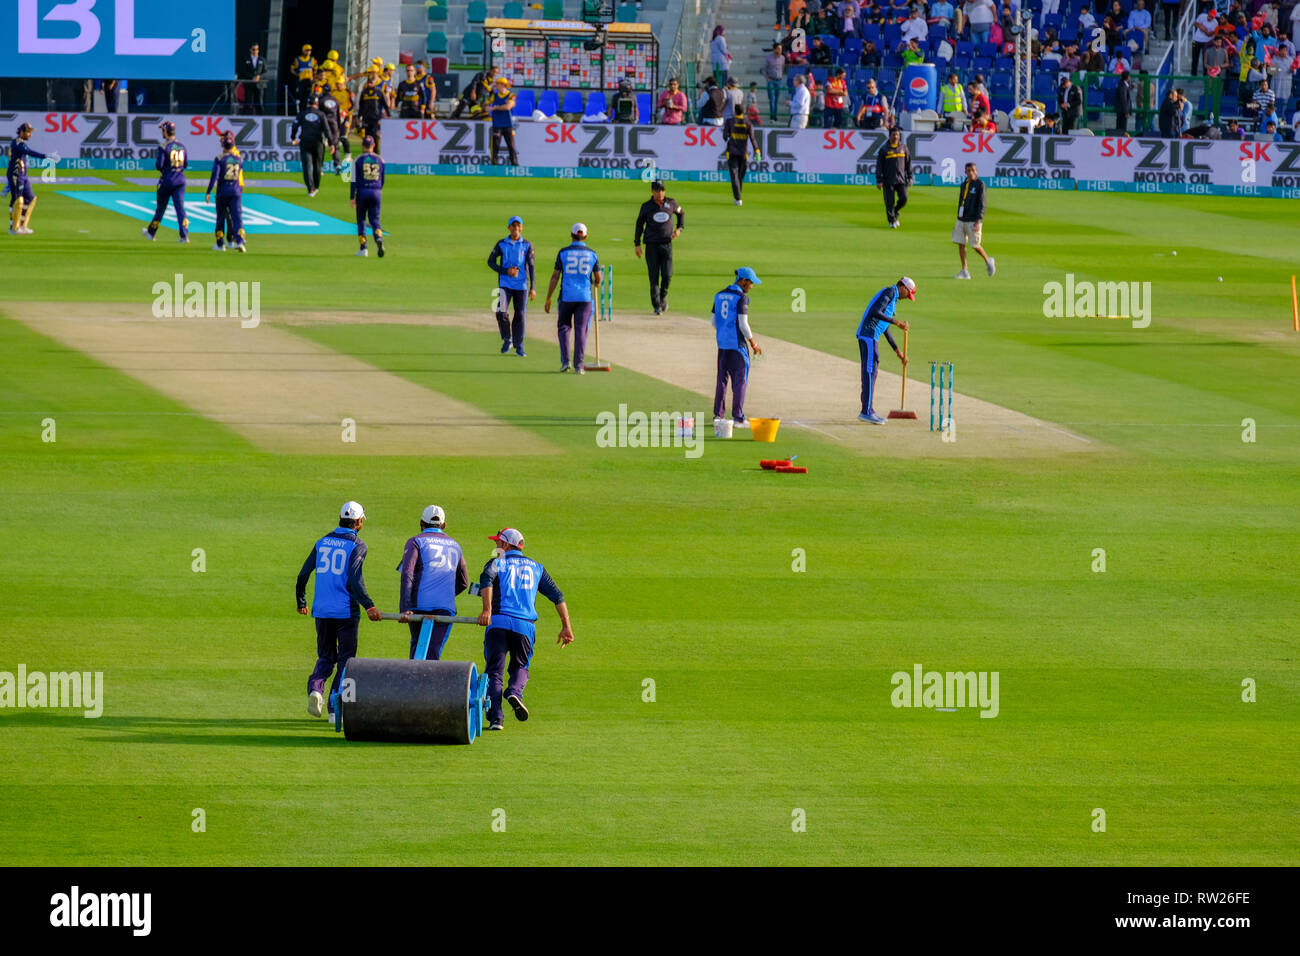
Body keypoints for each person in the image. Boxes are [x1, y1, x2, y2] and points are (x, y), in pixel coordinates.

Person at [474, 528, 573, 731]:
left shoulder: (497, 562)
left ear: (506, 546)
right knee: (521, 667)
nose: (495, 547)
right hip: (524, 626)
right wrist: (566, 626)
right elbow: (557, 595)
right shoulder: (537, 567)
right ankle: (515, 693)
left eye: (498, 543)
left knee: (494, 672)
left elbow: (486, 580)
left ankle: (496, 719)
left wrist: (486, 609)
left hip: (498, 622)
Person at [296, 501, 382, 720]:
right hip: (346, 611)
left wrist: (301, 601)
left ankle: (316, 689)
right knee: (346, 659)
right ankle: (335, 709)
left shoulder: (322, 541)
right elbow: (354, 579)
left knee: (325, 656)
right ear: (359, 521)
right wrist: (369, 605)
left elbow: (303, 575)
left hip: (322, 610)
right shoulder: (357, 545)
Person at [397, 505, 469, 661]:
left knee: (418, 651)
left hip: (419, 606)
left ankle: (413, 684)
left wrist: (405, 607)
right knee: (433, 654)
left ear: (421, 523)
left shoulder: (416, 541)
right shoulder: (455, 545)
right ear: (443, 525)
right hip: (445, 607)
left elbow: (407, 573)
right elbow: (464, 582)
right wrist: (445, 594)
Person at [544, 223, 602, 374]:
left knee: (563, 327)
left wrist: (548, 298)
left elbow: (555, 276)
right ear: (585, 236)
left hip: (567, 297)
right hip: (585, 297)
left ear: (571, 234)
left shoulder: (563, 253)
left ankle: (565, 361)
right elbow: (598, 278)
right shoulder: (592, 254)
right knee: (581, 330)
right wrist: (596, 283)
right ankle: (579, 366)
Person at [856, 277, 913, 425]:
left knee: (872, 372)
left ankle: (868, 410)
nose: (907, 298)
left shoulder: (893, 300)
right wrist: (897, 322)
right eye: (908, 294)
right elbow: (875, 312)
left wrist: (898, 351)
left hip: (872, 337)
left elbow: (884, 327)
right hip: (868, 335)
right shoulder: (890, 292)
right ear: (903, 287)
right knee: (869, 371)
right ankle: (866, 411)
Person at [712, 267, 763, 427]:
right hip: (737, 346)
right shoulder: (741, 298)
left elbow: (714, 322)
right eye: (751, 282)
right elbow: (743, 324)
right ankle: (738, 418)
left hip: (722, 345)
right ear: (743, 280)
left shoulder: (719, 295)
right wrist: (753, 343)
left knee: (721, 380)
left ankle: (718, 416)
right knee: (740, 382)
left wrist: (724, 333)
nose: (752, 286)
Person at [634, 180, 684, 315]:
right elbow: (639, 225)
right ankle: (656, 305)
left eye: (662, 190)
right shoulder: (646, 206)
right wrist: (637, 244)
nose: (660, 193)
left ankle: (662, 298)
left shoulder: (671, 203)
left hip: (666, 244)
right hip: (651, 245)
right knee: (654, 276)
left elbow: (681, 214)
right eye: (657, 190)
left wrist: (679, 229)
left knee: (667, 275)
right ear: (652, 191)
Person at [487, 216, 536, 356]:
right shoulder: (501, 244)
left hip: (521, 285)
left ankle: (519, 345)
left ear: (522, 228)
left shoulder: (527, 245)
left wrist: (533, 287)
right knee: (500, 311)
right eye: (513, 226)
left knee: (520, 314)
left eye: (518, 226)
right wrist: (505, 271)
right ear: (509, 227)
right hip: (504, 284)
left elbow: (531, 267)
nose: (515, 228)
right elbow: (490, 262)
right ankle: (507, 339)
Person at [142, 121, 189, 243]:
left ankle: (152, 232)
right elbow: (185, 164)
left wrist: (166, 170)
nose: (162, 133)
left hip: (167, 180)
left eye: (162, 130)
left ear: (165, 131)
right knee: (180, 209)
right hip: (180, 179)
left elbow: (159, 165)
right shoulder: (182, 145)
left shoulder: (164, 146)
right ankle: (184, 236)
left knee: (161, 208)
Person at [205, 131, 246, 253]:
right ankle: (240, 241)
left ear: (223, 145)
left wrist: (208, 191)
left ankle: (220, 243)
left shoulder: (219, 159)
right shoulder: (239, 159)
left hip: (223, 191)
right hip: (236, 191)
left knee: (220, 218)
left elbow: (215, 176)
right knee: (237, 218)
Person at [953, 163, 995, 279]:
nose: (970, 172)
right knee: (960, 243)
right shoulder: (964, 185)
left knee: (975, 245)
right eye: (968, 170)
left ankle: (988, 261)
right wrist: (959, 216)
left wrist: (979, 220)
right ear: (965, 172)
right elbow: (961, 201)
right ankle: (964, 270)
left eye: (973, 170)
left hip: (973, 220)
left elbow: (982, 204)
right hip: (962, 219)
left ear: (976, 172)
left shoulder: (980, 185)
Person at [7, 123, 48, 236]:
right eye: (28, 132)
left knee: (31, 199)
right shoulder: (18, 144)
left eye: (30, 132)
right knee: (18, 201)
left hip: (23, 176)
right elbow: (30, 152)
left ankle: (22, 226)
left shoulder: (20, 143)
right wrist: (46, 156)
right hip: (16, 176)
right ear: (21, 132)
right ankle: (14, 228)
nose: (30, 134)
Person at [350, 136, 385, 258]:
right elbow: (383, 179)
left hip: (362, 192)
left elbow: (353, 180)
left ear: (363, 146)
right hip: (376, 192)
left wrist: (352, 197)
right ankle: (379, 238)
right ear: (374, 145)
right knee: (375, 220)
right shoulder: (380, 160)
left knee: (361, 219)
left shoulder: (358, 160)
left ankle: (363, 247)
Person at [722, 105, 761, 206]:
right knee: (740, 176)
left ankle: (738, 198)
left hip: (732, 152)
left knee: (734, 175)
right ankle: (738, 196)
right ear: (743, 112)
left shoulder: (730, 122)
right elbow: (753, 138)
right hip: (743, 153)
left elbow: (724, 136)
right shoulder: (748, 123)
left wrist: (729, 137)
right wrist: (757, 150)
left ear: (735, 111)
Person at [875, 127, 912, 229]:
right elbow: (879, 166)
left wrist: (910, 176)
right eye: (894, 135)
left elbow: (908, 163)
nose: (896, 136)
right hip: (888, 180)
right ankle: (892, 220)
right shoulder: (884, 149)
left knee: (904, 198)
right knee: (889, 202)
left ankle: (895, 211)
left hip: (901, 179)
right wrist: (879, 180)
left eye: (897, 135)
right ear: (889, 136)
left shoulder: (903, 148)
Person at [291, 94, 327, 196]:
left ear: (307, 103)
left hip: (305, 141)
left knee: (307, 165)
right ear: (316, 103)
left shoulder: (302, 113)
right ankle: (315, 187)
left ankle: (310, 189)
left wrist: (293, 137)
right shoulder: (321, 114)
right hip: (318, 142)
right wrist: (331, 141)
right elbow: (327, 128)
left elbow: (295, 126)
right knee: (317, 165)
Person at [488, 76, 519, 166]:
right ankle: (494, 165)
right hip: (497, 124)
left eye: (497, 84)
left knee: (511, 146)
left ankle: (515, 164)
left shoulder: (511, 96)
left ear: (502, 85)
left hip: (508, 125)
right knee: (495, 147)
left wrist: (495, 107)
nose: (496, 86)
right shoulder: (494, 95)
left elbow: (508, 107)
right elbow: (486, 103)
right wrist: (486, 106)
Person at [356, 72, 389, 153]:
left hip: (376, 118)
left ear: (374, 83)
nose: (370, 84)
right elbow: (361, 106)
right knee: (367, 137)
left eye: (371, 82)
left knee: (375, 137)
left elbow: (385, 104)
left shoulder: (379, 92)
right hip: (366, 118)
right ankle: (367, 152)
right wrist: (359, 117)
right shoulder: (364, 93)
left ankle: (376, 153)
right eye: (368, 82)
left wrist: (388, 115)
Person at [763, 43, 786, 122]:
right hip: (771, 80)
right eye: (779, 49)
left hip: (779, 80)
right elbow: (764, 69)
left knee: (776, 99)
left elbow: (782, 67)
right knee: (772, 99)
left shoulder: (783, 58)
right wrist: (767, 78)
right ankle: (772, 117)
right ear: (774, 49)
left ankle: (775, 116)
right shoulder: (768, 58)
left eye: (781, 49)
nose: (780, 50)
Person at [241, 43, 266, 115]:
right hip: (249, 84)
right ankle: (246, 118)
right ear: (250, 50)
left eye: (257, 49)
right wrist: (251, 77)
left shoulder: (262, 60)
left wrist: (259, 76)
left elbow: (266, 71)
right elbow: (243, 71)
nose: (255, 51)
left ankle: (261, 118)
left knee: (259, 102)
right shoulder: (246, 59)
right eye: (253, 49)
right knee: (248, 102)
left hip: (259, 85)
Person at [1193, 7, 1217, 75]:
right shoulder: (1202, 16)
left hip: (1206, 42)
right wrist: (1201, 27)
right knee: (1194, 57)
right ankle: (1193, 74)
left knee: (1205, 59)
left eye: (1212, 17)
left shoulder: (1215, 23)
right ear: (1208, 14)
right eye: (1209, 16)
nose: (1210, 18)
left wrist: (1203, 28)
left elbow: (1209, 34)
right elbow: (1195, 23)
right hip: (1195, 40)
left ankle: (1205, 74)